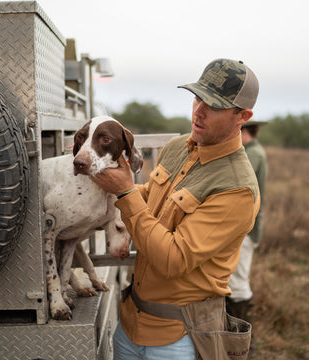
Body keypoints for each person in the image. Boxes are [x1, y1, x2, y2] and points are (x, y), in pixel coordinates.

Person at [92, 58, 261, 360]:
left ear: (242, 116)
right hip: (130, 324)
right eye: (197, 97)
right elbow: (149, 199)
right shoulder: (177, 147)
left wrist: (125, 191)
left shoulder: (237, 189)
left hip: (179, 339)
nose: (199, 111)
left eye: (215, 105)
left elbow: (172, 260)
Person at [226, 119, 268, 338]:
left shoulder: (253, 154)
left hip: (246, 229)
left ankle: (244, 342)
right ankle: (234, 338)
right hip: (243, 227)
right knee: (233, 280)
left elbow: (236, 182)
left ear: (243, 131)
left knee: (239, 284)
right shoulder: (252, 151)